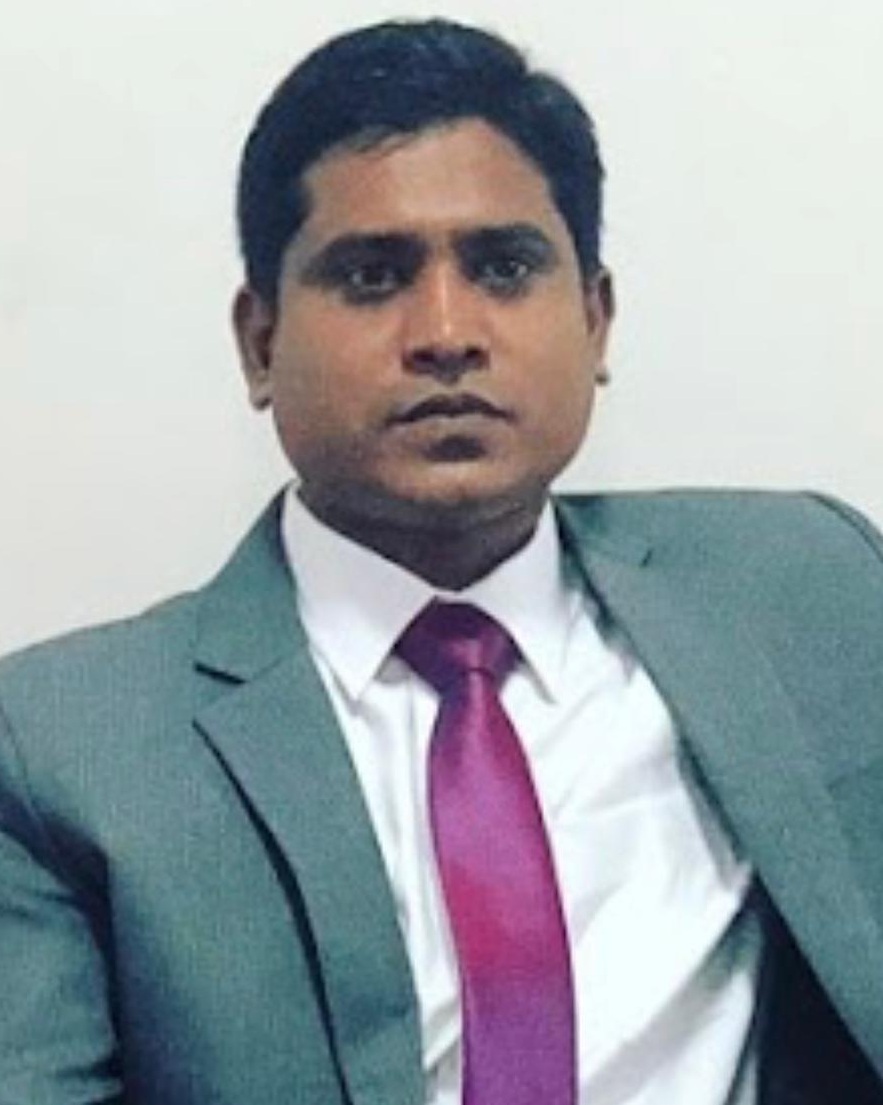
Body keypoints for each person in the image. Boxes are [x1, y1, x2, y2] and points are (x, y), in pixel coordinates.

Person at [1, 17, 881, 1105]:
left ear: (595, 321)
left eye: (504, 267)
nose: (447, 332)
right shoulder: (61, 748)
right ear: (260, 343)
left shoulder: (808, 585)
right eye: (372, 276)